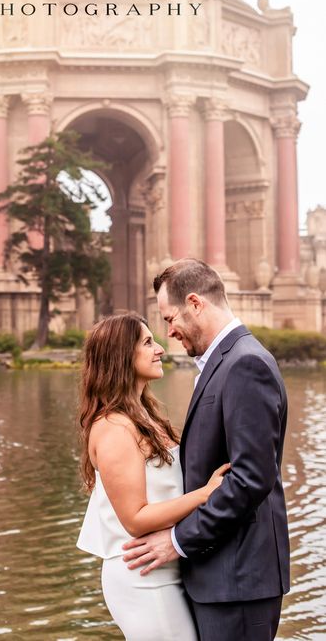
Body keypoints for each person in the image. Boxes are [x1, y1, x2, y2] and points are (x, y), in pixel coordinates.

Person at [122, 258, 290, 641]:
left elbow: (250, 479)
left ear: (196, 303)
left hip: (239, 581)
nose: (169, 332)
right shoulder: (224, 362)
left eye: (169, 318)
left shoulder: (246, 365)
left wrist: (178, 541)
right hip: (221, 578)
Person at [76, 312, 230, 641]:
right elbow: (135, 518)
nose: (160, 349)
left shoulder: (145, 415)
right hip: (143, 578)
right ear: (121, 356)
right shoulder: (113, 428)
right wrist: (205, 494)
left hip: (167, 567)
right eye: (147, 342)